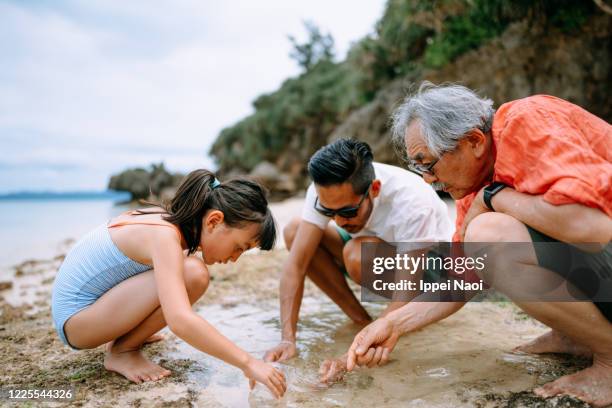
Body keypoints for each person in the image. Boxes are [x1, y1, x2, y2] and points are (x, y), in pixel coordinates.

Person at [343, 83, 612, 407]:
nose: (428, 179)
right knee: (485, 237)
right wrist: (390, 324)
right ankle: (575, 335)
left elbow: (593, 229)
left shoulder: (526, 122)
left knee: (489, 233)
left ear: (474, 141)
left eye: (428, 163)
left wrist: (494, 197)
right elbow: (462, 280)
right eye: (419, 167)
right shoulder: (473, 183)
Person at [51, 169, 286, 399]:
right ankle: (122, 351)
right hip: (77, 323)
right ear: (214, 221)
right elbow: (180, 320)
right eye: (239, 247)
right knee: (193, 274)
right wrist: (248, 363)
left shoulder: (164, 220)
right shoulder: (164, 236)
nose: (235, 258)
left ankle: (129, 335)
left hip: (89, 313)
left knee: (189, 270)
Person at [263, 138, 452, 382]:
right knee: (295, 231)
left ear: (374, 189)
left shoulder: (412, 201)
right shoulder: (324, 191)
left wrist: (351, 354)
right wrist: (288, 339)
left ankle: (375, 327)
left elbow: (407, 288)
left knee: (356, 254)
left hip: (430, 274)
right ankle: (362, 320)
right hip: (380, 255)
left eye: (348, 211)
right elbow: (295, 266)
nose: (339, 221)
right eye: (329, 212)